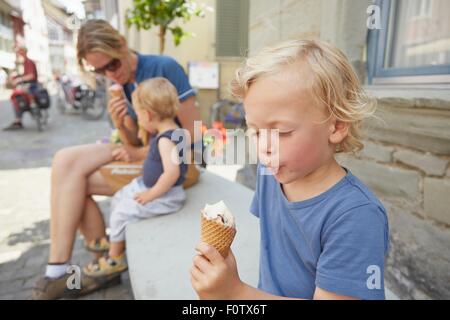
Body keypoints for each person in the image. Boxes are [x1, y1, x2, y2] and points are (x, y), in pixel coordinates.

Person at [190, 39, 390, 300]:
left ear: (337, 126)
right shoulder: (270, 173)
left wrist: (235, 293)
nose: (264, 147)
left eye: (282, 131)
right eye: (256, 131)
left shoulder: (356, 217)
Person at [32, 19, 200, 299]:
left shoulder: (163, 68)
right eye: (99, 71)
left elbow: (190, 140)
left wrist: (135, 152)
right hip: (149, 156)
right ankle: (61, 266)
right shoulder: (120, 84)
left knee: (77, 182)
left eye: (112, 65)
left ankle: (103, 265)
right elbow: (134, 141)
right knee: (64, 161)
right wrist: (121, 124)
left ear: (122, 44)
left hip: (177, 166)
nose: (110, 75)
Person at [83, 78, 188, 277]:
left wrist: (151, 195)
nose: (138, 119)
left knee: (122, 211)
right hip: (152, 186)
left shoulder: (166, 140)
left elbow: (172, 173)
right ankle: (116, 235)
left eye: (138, 115)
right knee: (119, 197)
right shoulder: (176, 132)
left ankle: (115, 257)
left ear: (148, 115)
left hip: (165, 195)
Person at [3, 47, 38, 130]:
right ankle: (19, 118)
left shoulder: (28, 62)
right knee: (17, 98)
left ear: (23, 52)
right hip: (29, 85)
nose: (18, 54)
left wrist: (19, 79)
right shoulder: (24, 63)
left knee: (16, 97)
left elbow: (31, 76)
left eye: (19, 52)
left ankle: (19, 119)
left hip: (31, 85)